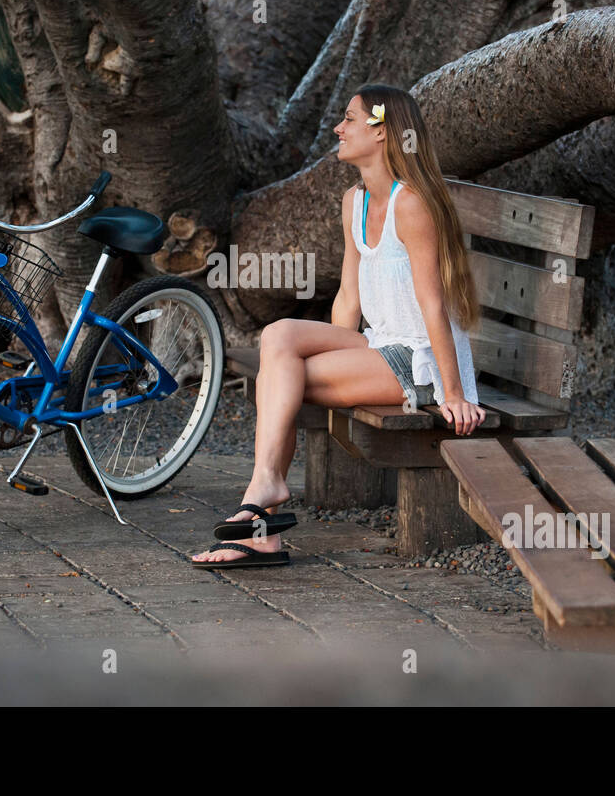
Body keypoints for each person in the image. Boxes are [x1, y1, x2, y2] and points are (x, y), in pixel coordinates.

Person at [192, 84, 484, 568]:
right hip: (379, 344)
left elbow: (434, 306)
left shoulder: (411, 204)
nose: (337, 128)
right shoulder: (355, 200)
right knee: (278, 339)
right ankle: (265, 491)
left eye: (349, 119)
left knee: (280, 378)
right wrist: (327, 349)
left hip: (419, 362)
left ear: (382, 132)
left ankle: (262, 513)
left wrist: (453, 394)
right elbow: (348, 294)